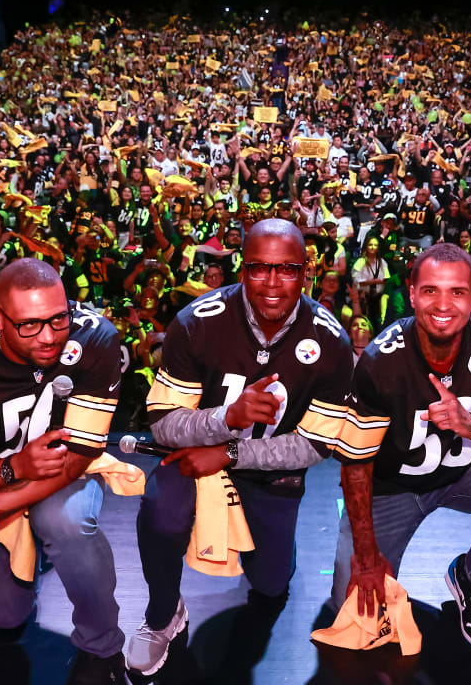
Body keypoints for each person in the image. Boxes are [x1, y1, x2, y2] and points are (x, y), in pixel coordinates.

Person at [131, 218, 354, 677]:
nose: (272, 283)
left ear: (306, 273)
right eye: (259, 268)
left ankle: (276, 553)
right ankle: (161, 616)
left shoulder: (331, 341)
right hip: (197, 456)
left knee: (271, 586)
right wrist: (225, 419)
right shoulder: (196, 323)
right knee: (160, 507)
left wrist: (230, 452)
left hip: (272, 471)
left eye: (287, 269)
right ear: (241, 268)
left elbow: (316, 445)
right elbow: (163, 425)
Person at [331, 243, 471, 653]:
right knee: (355, 610)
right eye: (431, 290)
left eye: (457, 292)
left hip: (462, 473)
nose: (444, 304)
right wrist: (365, 554)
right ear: (412, 293)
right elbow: (355, 467)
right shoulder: (382, 360)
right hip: (392, 489)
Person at [0, 259, 128, 683]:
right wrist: (14, 469)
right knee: (4, 616)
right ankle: (26, 556)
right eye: (29, 325)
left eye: (58, 318)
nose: (49, 337)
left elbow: (78, 456)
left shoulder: (95, 338)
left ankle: (102, 647)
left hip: (61, 473)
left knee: (64, 522)